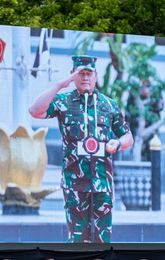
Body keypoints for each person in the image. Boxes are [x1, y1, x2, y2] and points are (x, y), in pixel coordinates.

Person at [29, 54, 134, 243]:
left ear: (96, 75)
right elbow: (35, 111)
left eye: (89, 73)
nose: (85, 77)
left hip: (102, 181)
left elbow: (128, 137)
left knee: (103, 239)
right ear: (72, 75)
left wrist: (117, 143)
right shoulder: (64, 102)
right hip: (75, 183)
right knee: (77, 239)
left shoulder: (108, 104)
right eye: (80, 73)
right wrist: (60, 85)